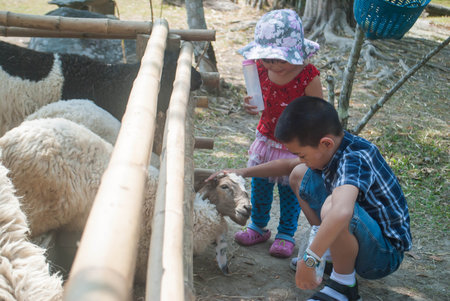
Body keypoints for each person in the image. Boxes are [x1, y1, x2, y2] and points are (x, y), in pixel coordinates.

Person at [207, 96, 412, 300]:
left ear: (325, 143)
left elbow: (342, 211)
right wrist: (239, 172)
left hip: (382, 256)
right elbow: (288, 167)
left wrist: (310, 258)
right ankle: (331, 254)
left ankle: (343, 287)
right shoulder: (331, 147)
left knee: (334, 205)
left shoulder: (355, 158)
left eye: (302, 154)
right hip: (364, 237)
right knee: (298, 173)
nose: (300, 159)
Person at [235, 8, 323, 258]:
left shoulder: (308, 76)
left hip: (294, 144)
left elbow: (320, 111)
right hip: (266, 138)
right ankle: (258, 226)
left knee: (290, 190)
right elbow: (258, 101)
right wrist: (250, 105)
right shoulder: (259, 70)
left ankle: (286, 234)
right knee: (260, 184)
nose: (273, 64)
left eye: (280, 59)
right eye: (267, 58)